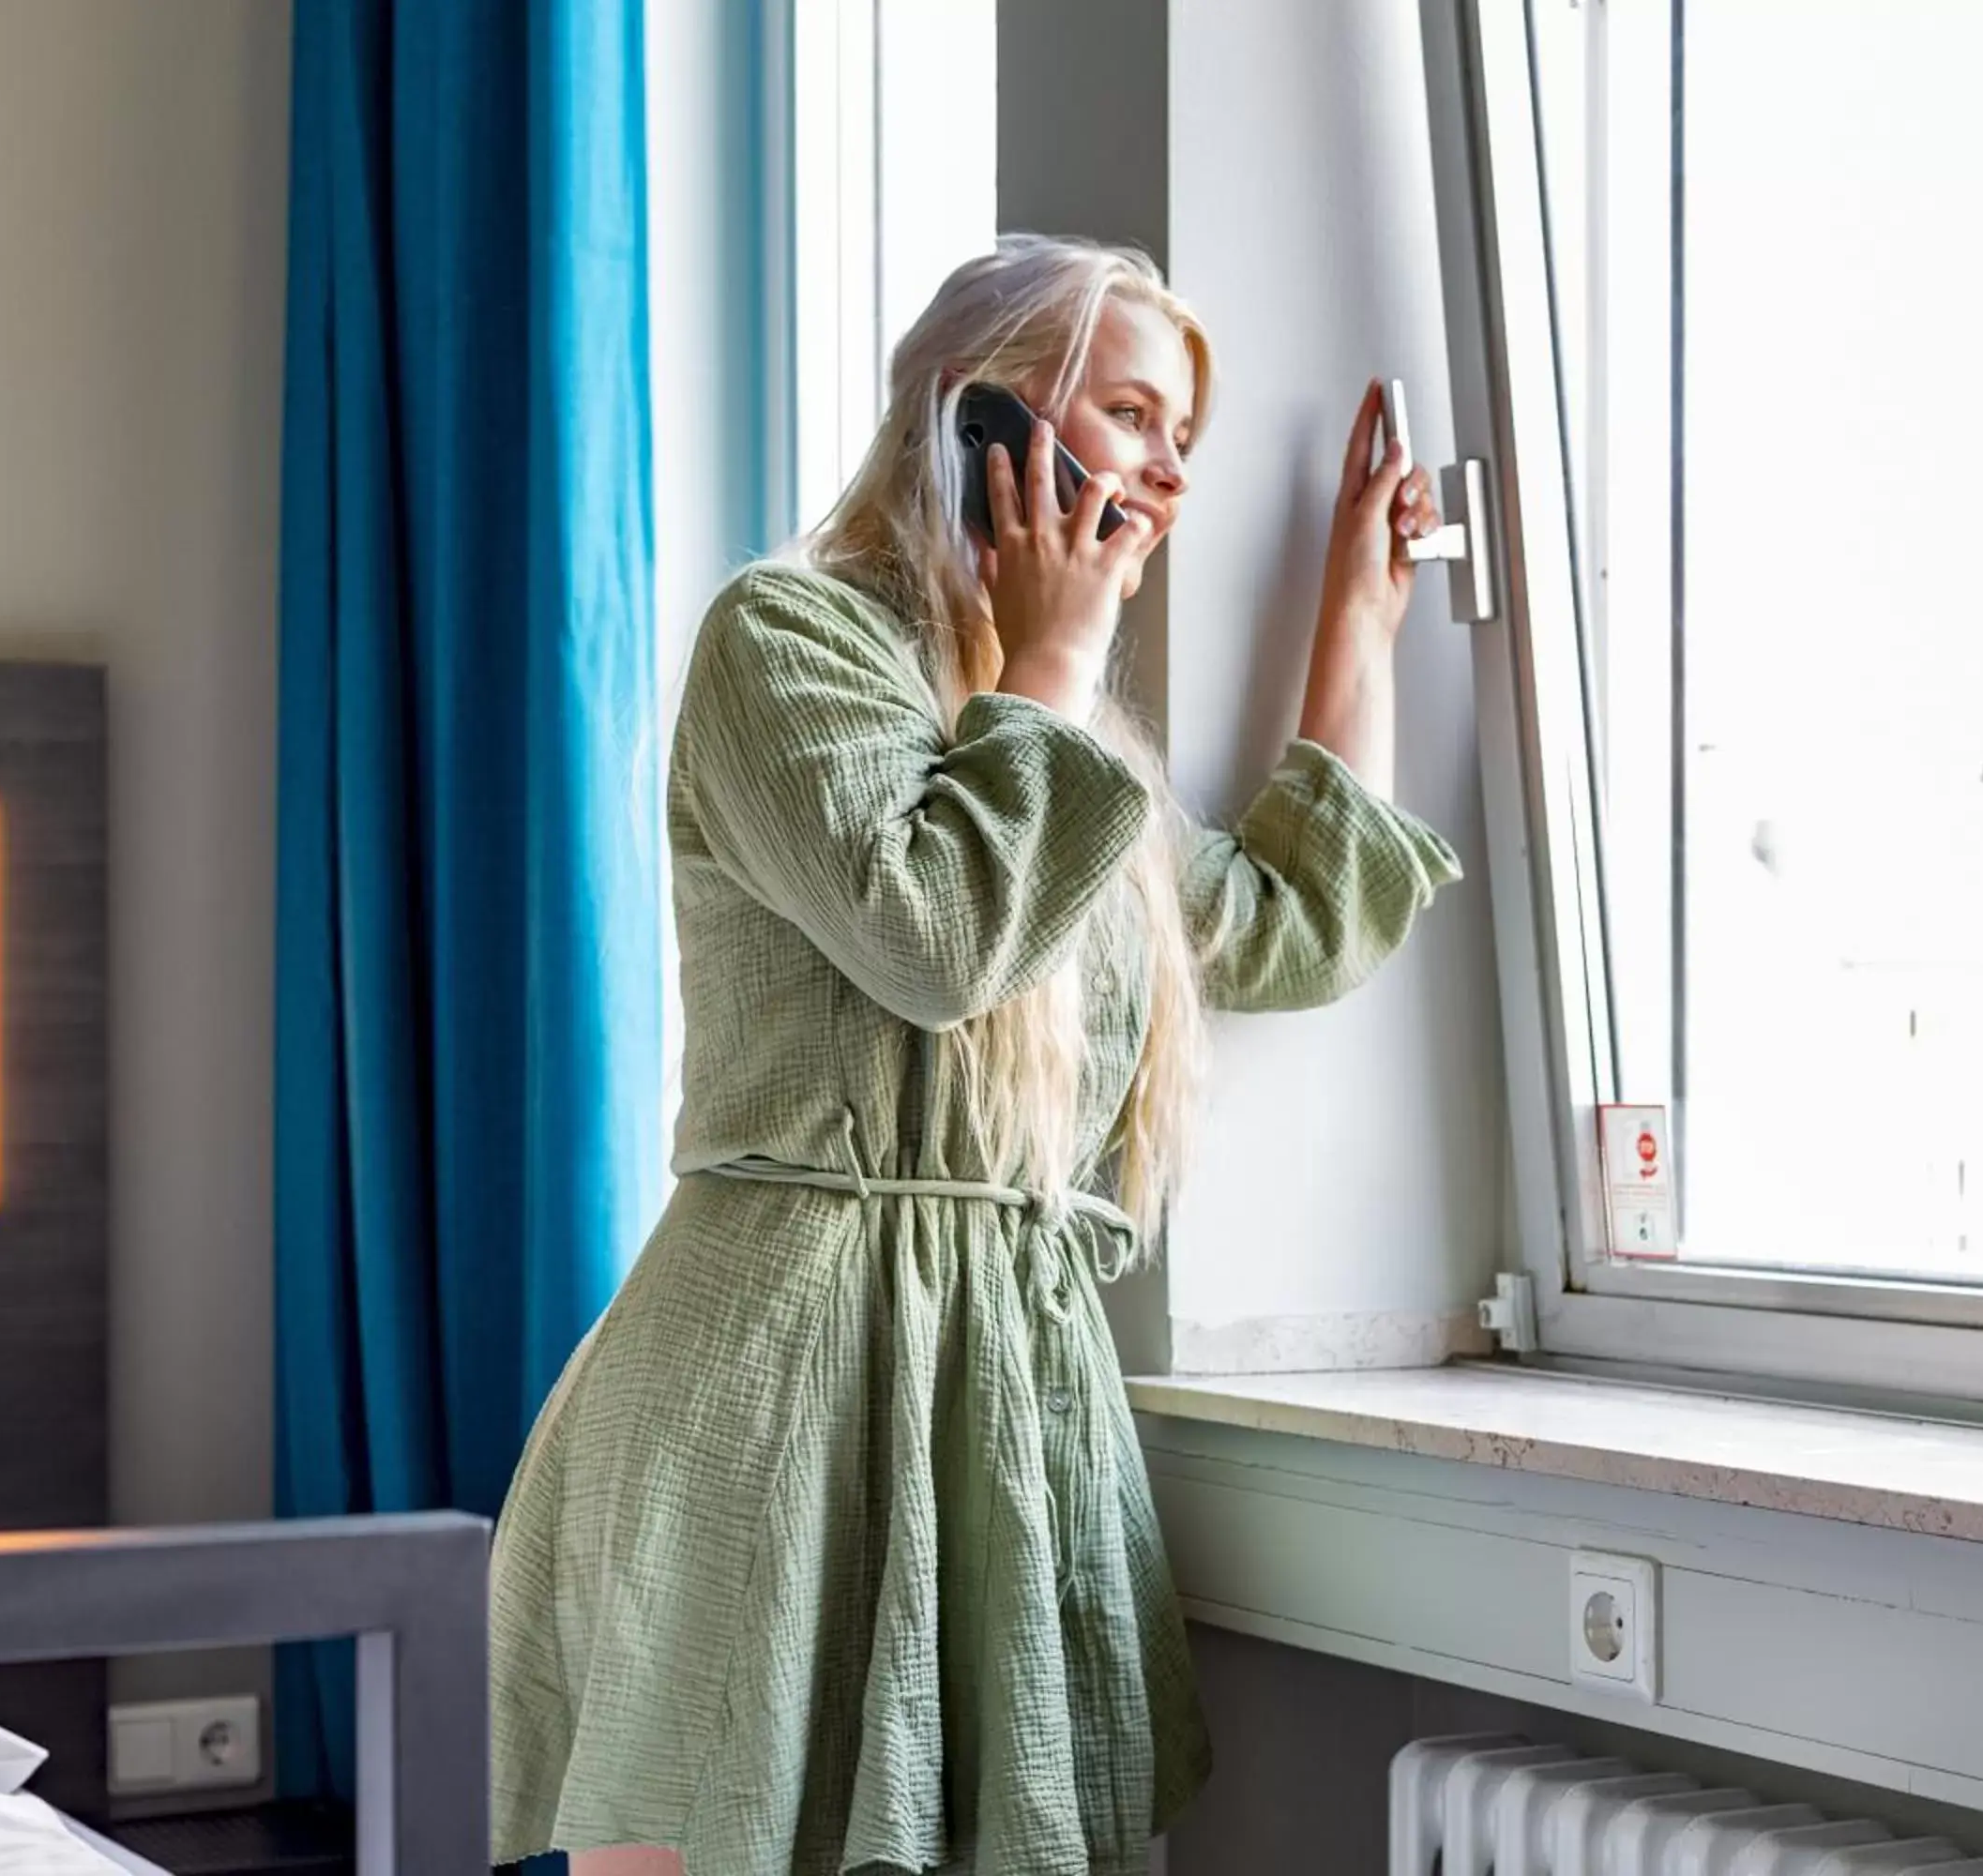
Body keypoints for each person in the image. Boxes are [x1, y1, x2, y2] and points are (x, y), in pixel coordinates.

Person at [489, 234, 1461, 1876]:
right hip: (771, 1383)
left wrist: (1355, 618)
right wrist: (1061, 669)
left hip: (994, 1396)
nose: (1169, 468)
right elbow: (936, 942)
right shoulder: (783, 643)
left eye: (1186, 441)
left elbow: (1291, 923)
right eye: (1138, 414)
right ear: (989, 421)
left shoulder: (1079, 765)